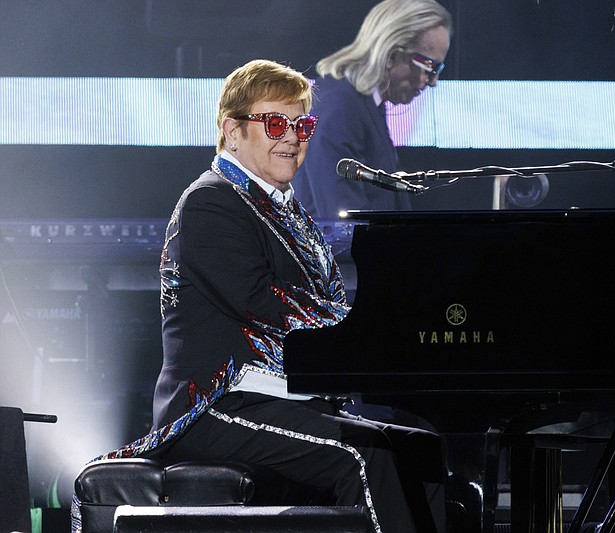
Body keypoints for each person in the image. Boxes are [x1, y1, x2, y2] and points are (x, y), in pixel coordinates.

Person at [71, 59, 445, 533]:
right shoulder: (211, 201)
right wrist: (366, 330)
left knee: (422, 448)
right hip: (219, 406)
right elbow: (265, 301)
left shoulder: (292, 214)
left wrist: (375, 336)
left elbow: (327, 300)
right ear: (232, 130)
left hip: (286, 402)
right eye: (275, 123)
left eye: (302, 124)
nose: (292, 137)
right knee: (364, 457)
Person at [292, 0, 452, 221]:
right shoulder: (341, 108)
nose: (433, 81)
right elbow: (345, 227)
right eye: (430, 66)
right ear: (392, 55)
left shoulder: (361, 104)